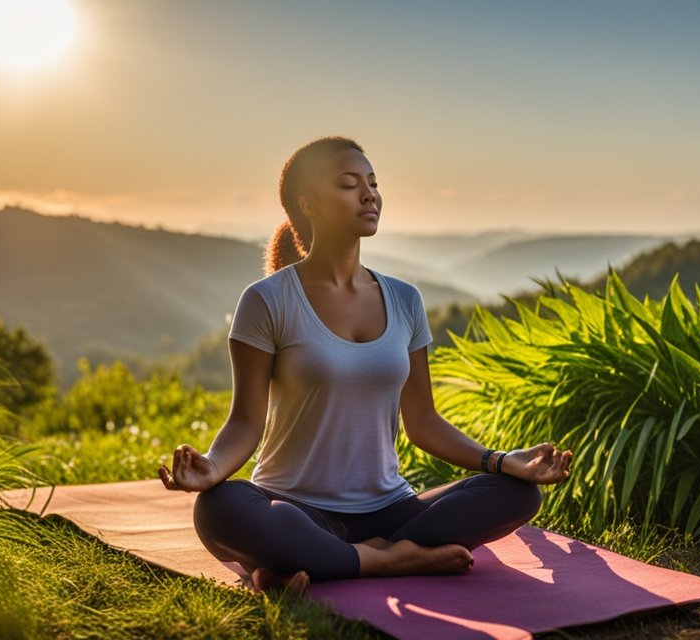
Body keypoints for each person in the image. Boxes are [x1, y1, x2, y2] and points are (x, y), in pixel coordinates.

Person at [158, 135, 573, 598]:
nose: (368, 194)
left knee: (516, 493)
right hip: (293, 507)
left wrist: (502, 461)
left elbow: (424, 423)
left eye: (373, 183)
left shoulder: (404, 299)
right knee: (220, 508)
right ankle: (391, 560)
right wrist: (213, 467)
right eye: (349, 183)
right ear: (307, 203)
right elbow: (245, 419)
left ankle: (316, 562)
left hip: (390, 509)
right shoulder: (267, 301)